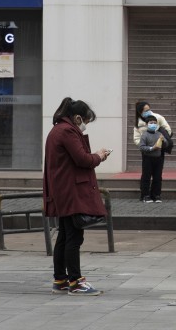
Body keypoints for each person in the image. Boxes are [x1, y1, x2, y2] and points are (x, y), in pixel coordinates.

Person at [43, 97, 111, 296]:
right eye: (86, 122)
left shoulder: (58, 129)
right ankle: (76, 281)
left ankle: (60, 279)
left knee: (64, 236)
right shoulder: (67, 131)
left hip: (62, 190)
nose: (85, 126)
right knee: (74, 236)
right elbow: (82, 159)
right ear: (78, 117)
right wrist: (99, 155)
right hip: (71, 191)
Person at [134, 100, 172, 203]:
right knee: (146, 175)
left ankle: (156, 195)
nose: (148, 112)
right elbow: (137, 139)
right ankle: (145, 195)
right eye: (145, 110)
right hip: (147, 153)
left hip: (159, 152)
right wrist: (148, 147)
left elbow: (168, 129)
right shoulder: (138, 124)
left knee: (157, 175)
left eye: (148, 109)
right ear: (140, 112)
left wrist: (162, 141)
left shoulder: (158, 117)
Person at [138, 114, 166, 203]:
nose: (153, 124)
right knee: (146, 177)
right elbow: (141, 147)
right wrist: (151, 148)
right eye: (151, 123)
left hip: (158, 159)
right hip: (148, 159)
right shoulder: (144, 135)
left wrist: (164, 141)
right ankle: (145, 195)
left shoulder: (159, 134)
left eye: (155, 123)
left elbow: (166, 144)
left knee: (157, 177)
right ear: (147, 124)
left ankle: (156, 195)